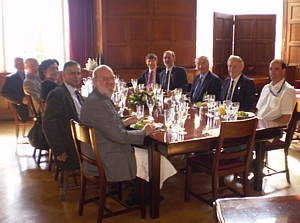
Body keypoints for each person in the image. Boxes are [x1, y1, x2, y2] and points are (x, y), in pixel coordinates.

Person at [42, 60, 83, 171]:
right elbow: (47, 124)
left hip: (81, 138)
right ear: (63, 75)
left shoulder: (76, 93)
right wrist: (59, 150)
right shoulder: (57, 94)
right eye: (72, 73)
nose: (76, 76)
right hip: (71, 146)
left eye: (78, 73)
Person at [256, 59, 296, 124]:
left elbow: (286, 118)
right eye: (271, 69)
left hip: (272, 129)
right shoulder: (266, 88)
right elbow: (258, 110)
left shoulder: (288, 90)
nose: (272, 72)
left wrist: (266, 124)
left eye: (276, 69)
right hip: (258, 125)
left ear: (283, 71)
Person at [1, 57, 30, 122]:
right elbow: (4, 93)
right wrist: (21, 99)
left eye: (22, 63)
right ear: (15, 66)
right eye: (17, 64)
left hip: (33, 103)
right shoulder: (10, 78)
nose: (20, 65)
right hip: (22, 106)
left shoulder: (30, 75)